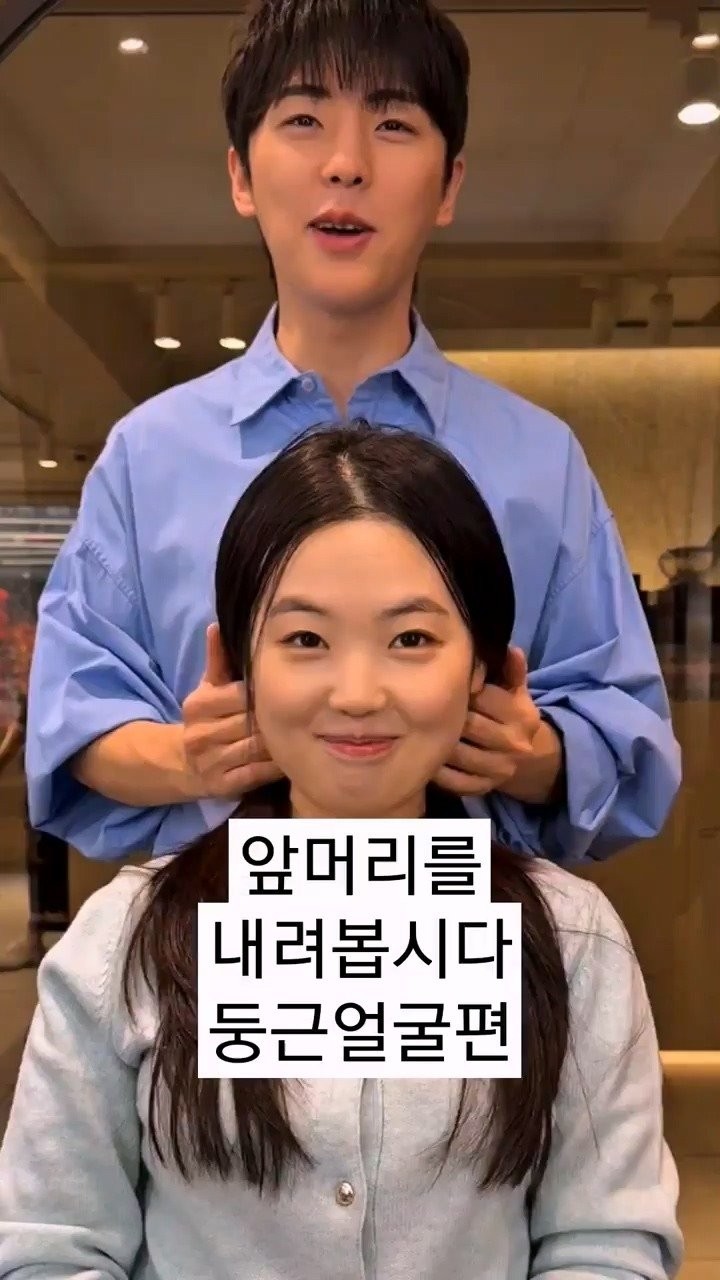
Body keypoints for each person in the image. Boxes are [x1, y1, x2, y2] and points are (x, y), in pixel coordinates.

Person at [0, 427, 682, 1279]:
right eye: (305, 640)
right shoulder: (123, 946)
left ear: (486, 669)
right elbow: (50, 1247)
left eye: (412, 640)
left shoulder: (573, 945)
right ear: (236, 664)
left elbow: (606, 1245)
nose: (357, 695)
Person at [25, 0, 680, 867]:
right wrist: (188, 759)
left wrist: (536, 754)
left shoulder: (541, 459)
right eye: (303, 120)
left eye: (394, 123)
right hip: (219, 931)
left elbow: (633, 742)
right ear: (241, 175)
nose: (346, 163)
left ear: (449, 185)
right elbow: (70, 728)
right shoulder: (147, 456)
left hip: (468, 929)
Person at [0, 692, 69, 972]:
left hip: (56, 779)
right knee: (43, 856)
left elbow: (20, 729)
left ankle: (42, 938)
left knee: (48, 856)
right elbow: (21, 727)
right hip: (48, 778)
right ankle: (41, 937)